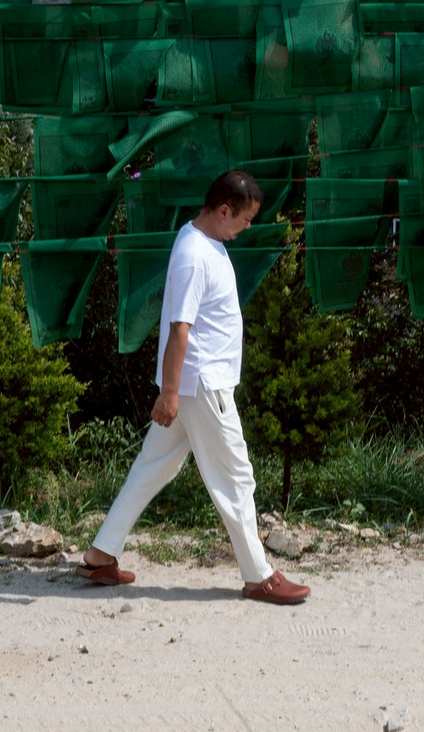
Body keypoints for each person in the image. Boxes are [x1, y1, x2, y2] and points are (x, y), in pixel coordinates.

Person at [80, 170, 311, 605]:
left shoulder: (205, 241)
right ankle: (258, 576)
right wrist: (169, 392)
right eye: (244, 219)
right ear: (223, 211)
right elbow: (179, 328)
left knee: (153, 467)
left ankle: (101, 554)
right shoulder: (194, 254)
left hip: (195, 384)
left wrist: (174, 390)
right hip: (203, 385)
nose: (247, 227)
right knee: (235, 476)